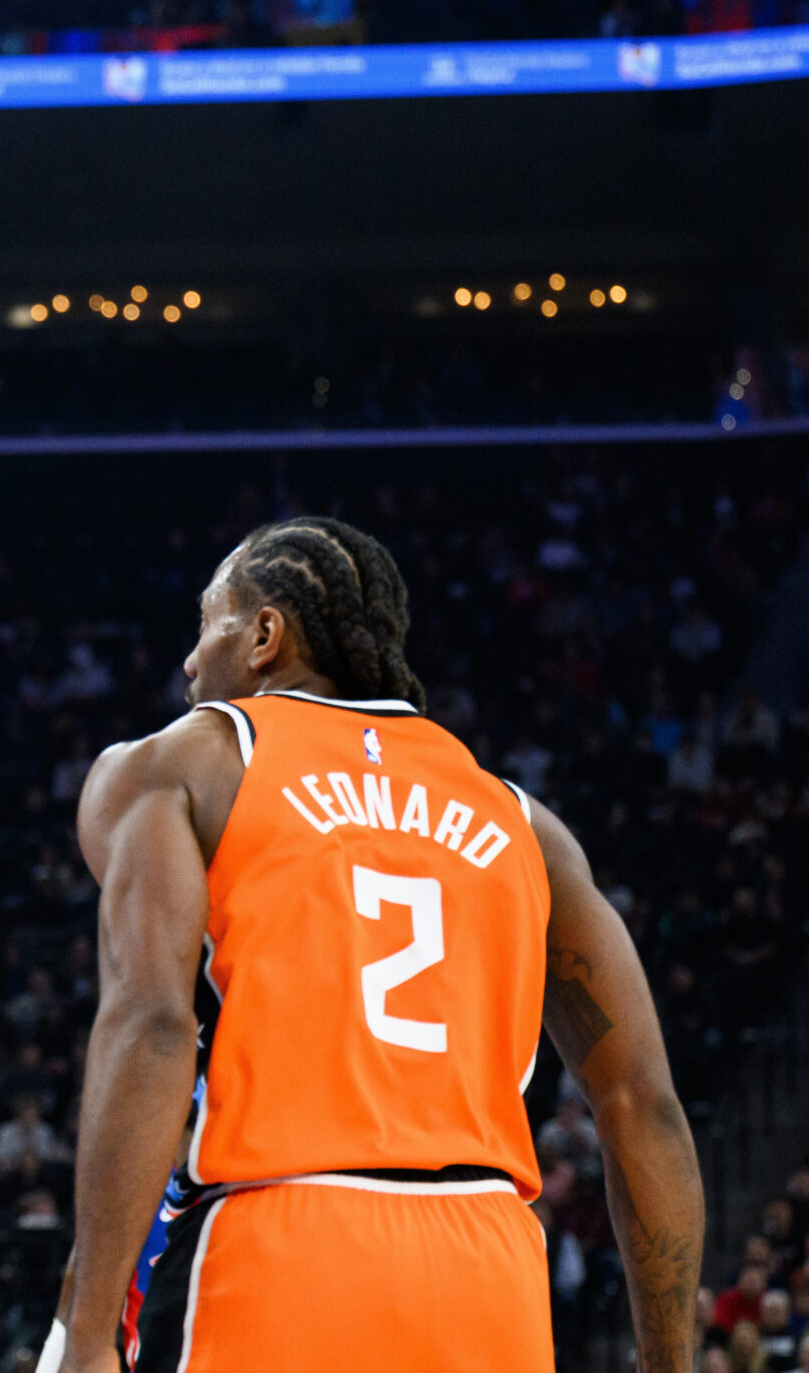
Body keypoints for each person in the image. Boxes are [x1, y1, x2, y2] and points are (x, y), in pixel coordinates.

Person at [51, 518, 704, 1372]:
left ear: (262, 635)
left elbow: (154, 1025)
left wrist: (90, 1329)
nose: (187, 663)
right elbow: (640, 1106)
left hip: (280, 1247)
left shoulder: (187, 765)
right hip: (491, 1274)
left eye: (206, 621)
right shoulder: (525, 824)